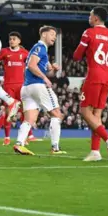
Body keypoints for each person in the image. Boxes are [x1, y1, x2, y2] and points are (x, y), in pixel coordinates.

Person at [73, 7, 108, 161]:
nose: (88, 17)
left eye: (90, 15)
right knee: (96, 115)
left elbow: (77, 56)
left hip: (93, 76)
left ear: (96, 18)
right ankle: (95, 152)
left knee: (85, 112)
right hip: (106, 77)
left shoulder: (89, 33)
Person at [13, 26, 65, 156]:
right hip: (37, 85)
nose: (54, 37)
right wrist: (44, 78)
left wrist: (54, 70)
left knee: (29, 119)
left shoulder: (43, 51)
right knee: (57, 114)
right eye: (52, 34)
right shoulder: (40, 47)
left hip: (27, 88)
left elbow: (49, 72)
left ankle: (19, 144)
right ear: (43, 35)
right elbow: (31, 65)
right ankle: (55, 148)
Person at [0, 32, 36, 145]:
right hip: (8, 86)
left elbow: (33, 64)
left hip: (21, 86)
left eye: (14, 39)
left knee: (23, 110)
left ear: (19, 41)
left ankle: (27, 136)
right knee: (9, 111)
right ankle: (6, 137)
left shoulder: (24, 53)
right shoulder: (4, 52)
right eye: (10, 39)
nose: (11, 41)